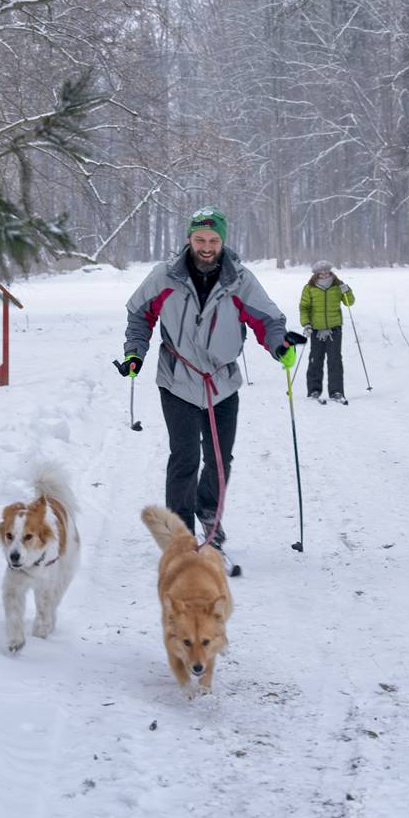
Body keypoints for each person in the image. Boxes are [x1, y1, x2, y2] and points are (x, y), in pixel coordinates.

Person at [121, 206, 299, 557]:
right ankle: (181, 532)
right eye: (200, 239)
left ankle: (208, 513)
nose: (206, 246)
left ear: (223, 241)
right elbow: (139, 314)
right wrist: (134, 352)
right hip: (177, 378)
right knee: (184, 457)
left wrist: (280, 345)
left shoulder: (240, 280)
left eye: (213, 240)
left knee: (220, 458)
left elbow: (268, 319)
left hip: (222, 381)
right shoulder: (164, 277)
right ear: (188, 239)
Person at [299, 259, 356, 404]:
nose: (324, 274)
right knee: (315, 360)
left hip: (334, 329)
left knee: (335, 360)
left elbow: (350, 302)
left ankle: (336, 391)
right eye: (321, 272)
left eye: (326, 272)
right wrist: (306, 324)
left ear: (330, 272)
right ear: (316, 274)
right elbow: (304, 308)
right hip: (316, 330)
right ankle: (314, 390)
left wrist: (346, 290)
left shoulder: (338, 286)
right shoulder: (309, 288)